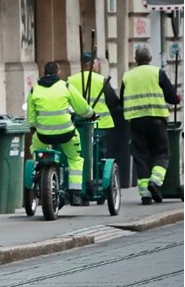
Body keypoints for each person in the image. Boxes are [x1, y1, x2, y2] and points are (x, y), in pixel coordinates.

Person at [28, 61, 95, 206]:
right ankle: (76, 193)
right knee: (75, 158)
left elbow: (31, 119)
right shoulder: (65, 86)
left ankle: (37, 176)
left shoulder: (34, 90)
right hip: (66, 133)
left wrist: (40, 125)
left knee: (35, 151)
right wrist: (91, 114)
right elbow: (81, 107)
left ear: (43, 72)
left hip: (43, 135)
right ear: (58, 73)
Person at [120, 47, 180, 205]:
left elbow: (122, 100)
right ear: (150, 58)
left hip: (136, 121)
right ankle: (155, 182)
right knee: (162, 153)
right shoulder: (157, 72)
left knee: (141, 156)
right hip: (156, 119)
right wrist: (177, 98)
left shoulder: (127, 76)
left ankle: (145, 195)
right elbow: (172, 96)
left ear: (135, 59)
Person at [66, 52, 121, 161]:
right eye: (97, 63)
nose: (98, 66)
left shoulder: (70, 81)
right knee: (99, 156)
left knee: (79, 153)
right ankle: (98, 175)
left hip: (76, 125)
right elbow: (113, 102)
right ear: (92, 64)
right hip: (100, 125)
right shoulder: (101, 80)